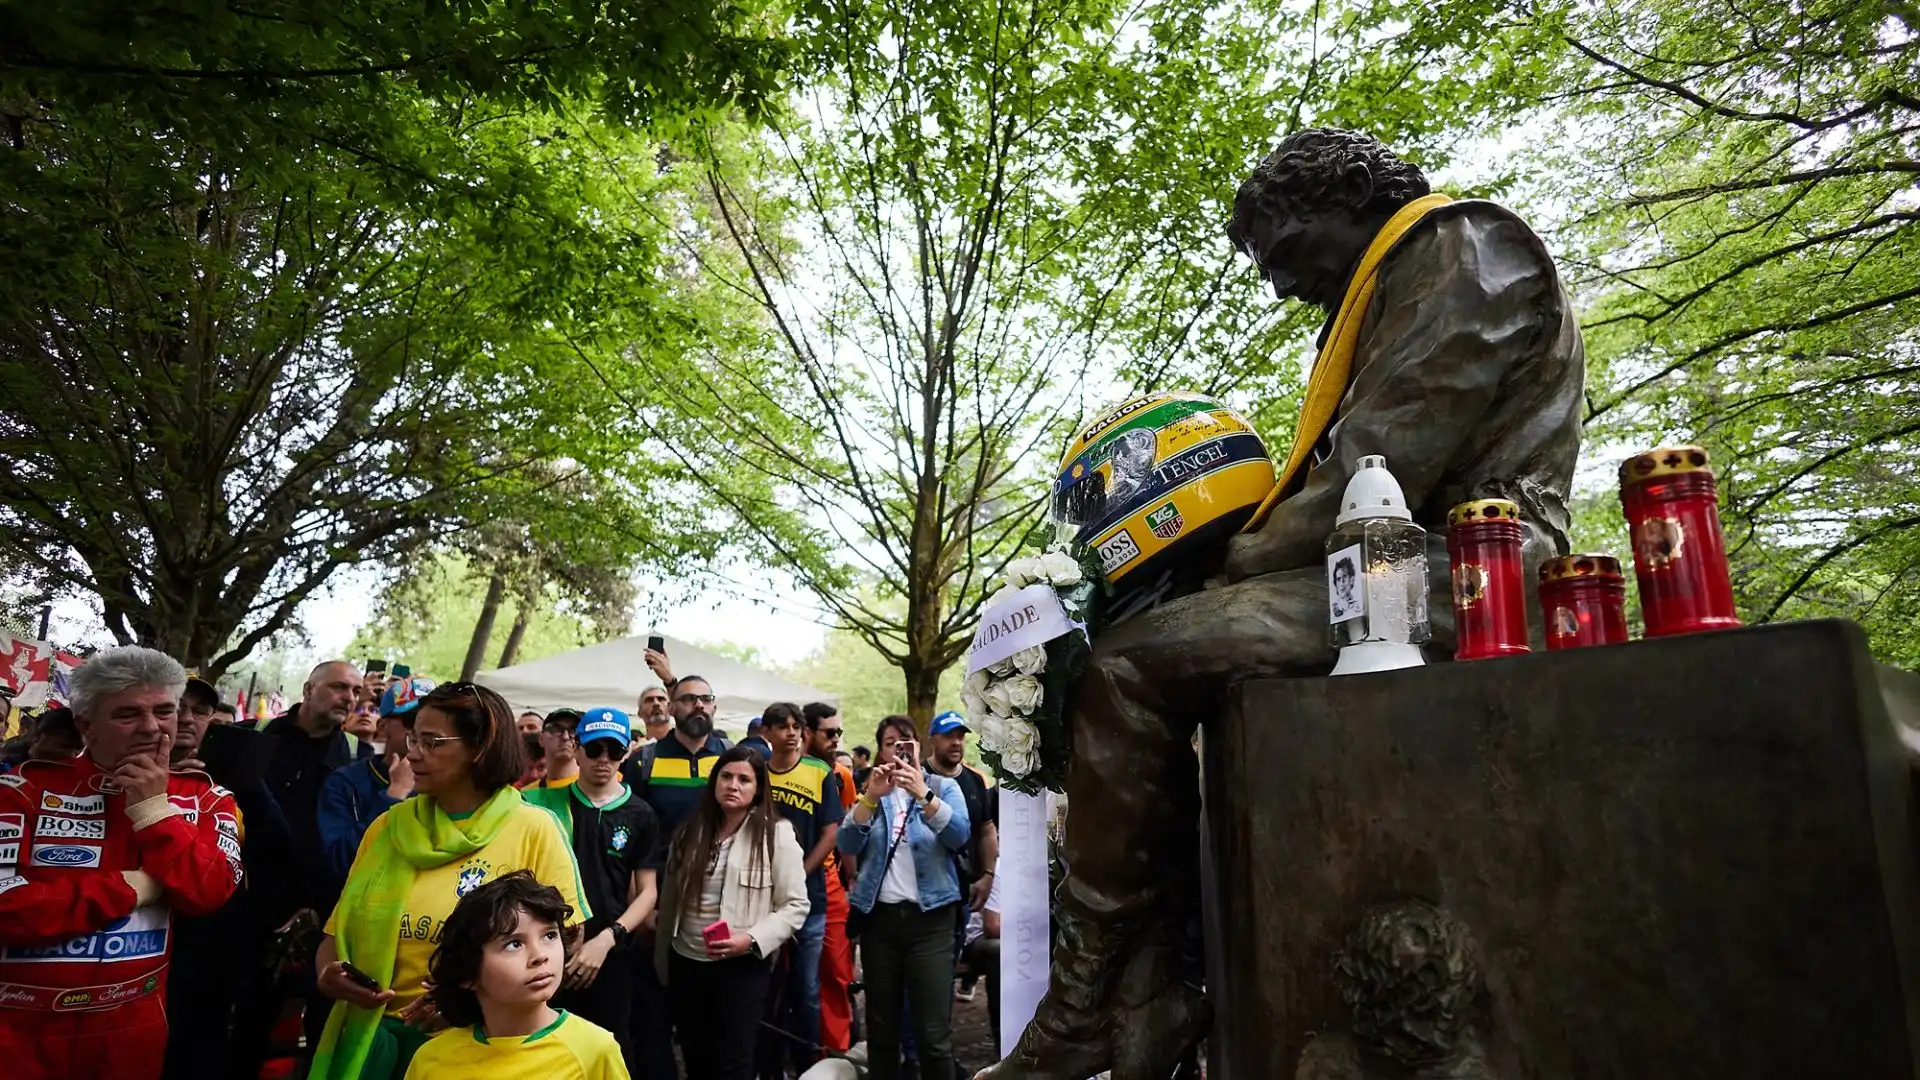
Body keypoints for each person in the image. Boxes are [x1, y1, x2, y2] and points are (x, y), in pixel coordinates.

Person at [980, 129, 1584, 1080]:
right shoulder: (1399, 280)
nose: (1277, 284)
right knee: (1145, 646)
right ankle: (1132, 991)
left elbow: (1378, 462)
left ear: (1340, 202)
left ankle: (1106, 1002)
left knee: (1128, 662)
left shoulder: (1463, 247)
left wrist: (1233, 562)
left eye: (1280, 255)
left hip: (1461, 568)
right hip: (1387, 556)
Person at [310, 681, 588, 1080]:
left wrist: (469, 1001)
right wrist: (329, 974)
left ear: (479, 748)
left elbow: (566, 937)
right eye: (413, 739)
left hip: (480, 1048)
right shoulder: (387, 828)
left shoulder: (533, 828)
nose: (413, 754)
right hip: (373, 1044)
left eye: (432, 741)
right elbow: (336, 934)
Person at [0, 646, 242, 1080]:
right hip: (17, 1027)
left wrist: (153, 810)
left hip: (133, 1025)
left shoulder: (207, 798)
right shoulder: (21, 791)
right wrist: (131, 888)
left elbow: (211, 893)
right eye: (128, 715)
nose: (151, 728)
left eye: (164, 712)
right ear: (85, 724)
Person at [231, 660, 376, 1078]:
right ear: (309, 689)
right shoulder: (251, 737)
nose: (348, 698)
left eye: (355, 691)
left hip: (322, 913)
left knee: (320, 1025)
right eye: (337, 687)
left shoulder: (358, 756)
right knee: (248, 1019)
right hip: (249, 903)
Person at [164, 674, 294, 1080]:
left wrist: (232, 787)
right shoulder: (114, 772)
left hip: (208, 957)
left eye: (199, 711)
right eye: (176, 706)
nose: (187, 718)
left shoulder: (235, 776)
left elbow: (279, 845)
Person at [655, 747, 809, 1080]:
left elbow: (796, 905)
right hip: (687, 961)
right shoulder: (689, 832)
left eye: (744, 779)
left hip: (740, 968)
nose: (733, 785)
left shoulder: (776, 835)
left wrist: (750, 939)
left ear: (758, 789)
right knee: (696, 1056)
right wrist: (662, 959)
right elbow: (669, 901)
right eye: (726, 776)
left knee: (734, 1063)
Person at [521, 708, 661, 1075]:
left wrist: (607, 939)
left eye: (613, 750)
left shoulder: (640, 813)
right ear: (577, 749)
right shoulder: (541, 806)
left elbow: (648, 891)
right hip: (548, 946)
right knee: (543, 1044)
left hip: (610, 953)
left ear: (626, 752)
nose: (603, 759)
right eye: (595, 748)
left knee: (609, 1046)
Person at [837, 716, 971, 1080]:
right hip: (880, 923)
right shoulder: (871, 792)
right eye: (890, 742)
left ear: (918, 747)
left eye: (906, 741)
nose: (899, 748)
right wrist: (869, 797)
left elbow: (960, 835)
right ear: (880, 749)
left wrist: (921, 794)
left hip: (931, 923)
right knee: (881, 1029)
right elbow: (846, 844)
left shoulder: (943, 787)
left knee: (933, 1033)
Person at [403, 871, 628, 1080]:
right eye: (514, 944)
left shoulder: (594, 1051)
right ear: (468, 975)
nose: (540, 956)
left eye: (550, 935)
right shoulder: (430, 1062)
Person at [623, 675, 732, 1080]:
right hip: (658, 901)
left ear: (714, 706)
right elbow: (633, 838)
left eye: (706, 699)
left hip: (718, 902)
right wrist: (641, 907)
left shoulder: (732, 761)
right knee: (652, 1021)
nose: (698, 706)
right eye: (689, 699)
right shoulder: (643, 762)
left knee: (707, 1022)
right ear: (672, 706)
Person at [758, 703, 842, 1075]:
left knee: (806, 988)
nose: (791, 732)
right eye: (783, 726)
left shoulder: (819, 772)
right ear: (768, 732)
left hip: (811, 897)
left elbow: (831, 832)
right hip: (760, 897)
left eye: (797, 726)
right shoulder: (757, 774)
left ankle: (809, 1061)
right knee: (766, 987)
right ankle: (769, 1064)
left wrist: (801, 873)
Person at [317, 679, 434, 888]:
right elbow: (338, 862)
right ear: (382, 726)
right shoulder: (345, 782)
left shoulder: (443, 784)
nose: (423, 731)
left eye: (433, 723)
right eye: (412, 720)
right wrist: (394, 795)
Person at [804, 703, 858, 1055]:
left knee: (837, 972)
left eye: (839, 733)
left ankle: (836, 1051)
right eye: (829, 733)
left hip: (830, 883)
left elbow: (848, 831)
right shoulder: (776, 771)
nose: (836, 740)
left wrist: (852, 880)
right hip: (781, 885)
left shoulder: (842, 775)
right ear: (807, 732)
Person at [923, 712, 997, 913]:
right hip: (926, 891)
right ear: (932, 740)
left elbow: (987, 830)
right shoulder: (918, 778)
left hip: (966, 889)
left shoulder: (976, 780)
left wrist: (988, 875)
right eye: (948, 736)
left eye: (960, 736)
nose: (956, 742)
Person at [960, 872, 1002, 1048]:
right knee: (998, 951)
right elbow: (992, 927)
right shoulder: (1001, 871)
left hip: (1014, 935)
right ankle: (1002, 1034)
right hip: (977, 940)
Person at [534, 709, 583, 789]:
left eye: (574, 730)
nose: (565, 737)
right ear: (541, 739)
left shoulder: (593, 789)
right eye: (556, 729)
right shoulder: (527, 794)